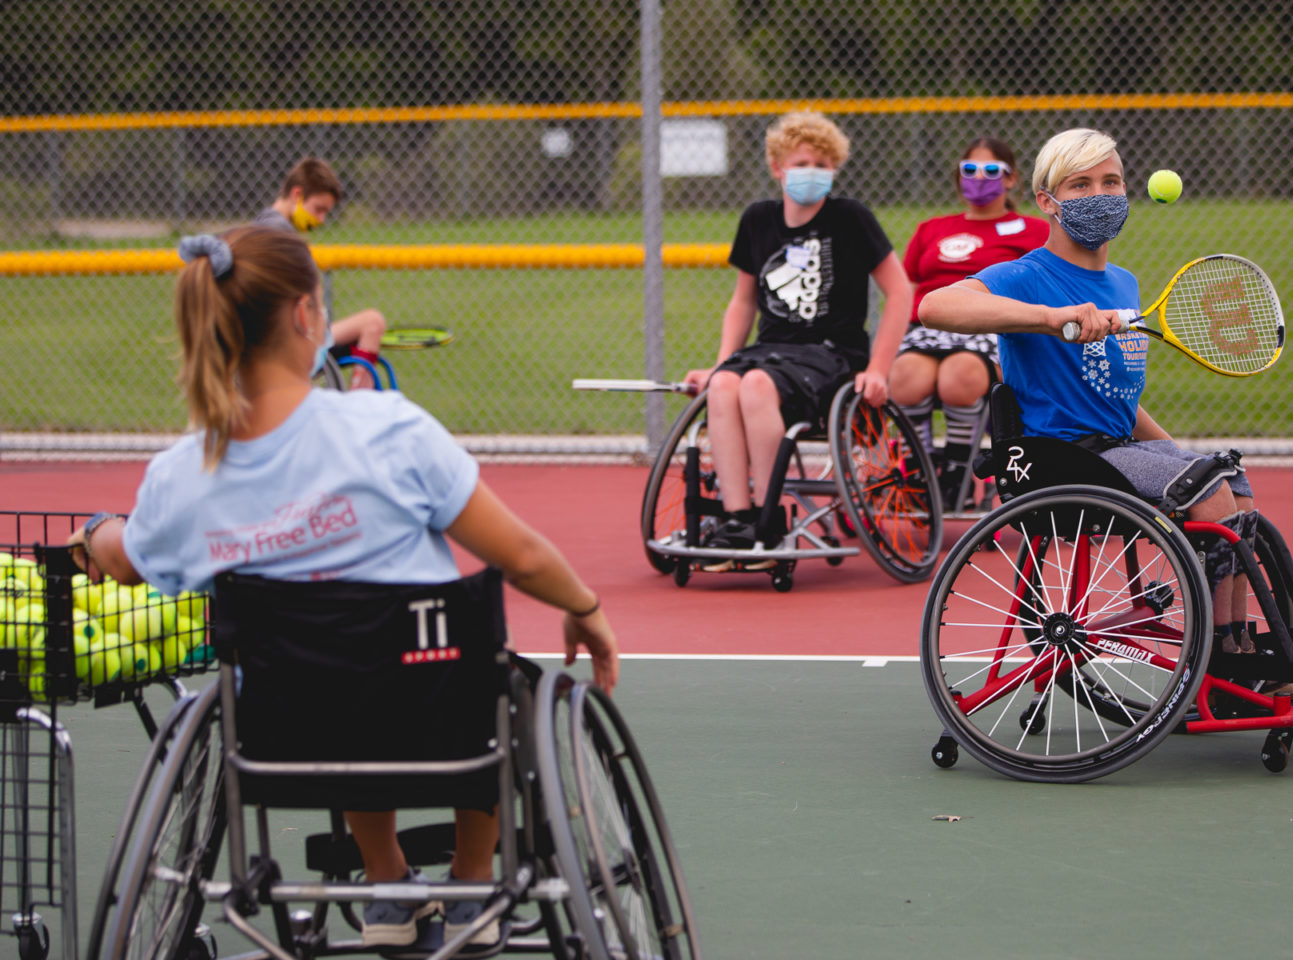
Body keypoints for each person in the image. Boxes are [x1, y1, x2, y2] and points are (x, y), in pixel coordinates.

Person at [69, 224, 618, 949]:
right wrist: (585, 608)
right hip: (439, 715)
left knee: (335, 683)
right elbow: (518, 553)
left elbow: (128, 555)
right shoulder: (390, 429)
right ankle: (471, 880)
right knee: (476, 679)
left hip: (281, 732)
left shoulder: (185, 473)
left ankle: (388, 886)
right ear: (305, 316)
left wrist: (92, 537)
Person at [917, 127, 1259, 656]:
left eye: (1111, 182)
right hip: (1060, 460)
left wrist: (1176, 453)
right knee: (1208, 489)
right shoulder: (1025, 275)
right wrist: (1049, 319)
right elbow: (936, 306)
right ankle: (1217, 657)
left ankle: (1239, 640)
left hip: (1115, 453)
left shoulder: (1124, 283)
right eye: (1080, 185)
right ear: (1047, 202)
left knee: (1233, 484)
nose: (1099, 195)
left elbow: (1116, 399)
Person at [682, 112, 913, 567]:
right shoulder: (758, 219)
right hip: (771, 351)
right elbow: (743, 302)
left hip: (831, 353)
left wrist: (879, 369)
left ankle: (768, 522)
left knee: (755, 386)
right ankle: (738, 518)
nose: (814, 172)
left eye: (824, 165)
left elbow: (900, 291)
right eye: (803, 162)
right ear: (777, 167)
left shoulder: (850, 218)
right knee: (726, 385)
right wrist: (721, 363)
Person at [892, 137, 1048, 507]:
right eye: (970, 170)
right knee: (904, 378)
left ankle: (957, 477)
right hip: (927, 329)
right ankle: (921, 472)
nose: (980, 178)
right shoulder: (932, 228)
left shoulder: (1032, 231)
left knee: (959, 376)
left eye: (991, 170)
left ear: (1010, 179)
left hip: (990, 330)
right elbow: (907, 289)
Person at [255, 156, 388, 389]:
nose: (321, 219)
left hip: (298, 336)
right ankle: (358, 410)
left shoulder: (267, 225)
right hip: (293, 343)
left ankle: (357, 404)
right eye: (318, 209)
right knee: (373, 323)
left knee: (371, 324)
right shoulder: (278, 233)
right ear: (297, 195)